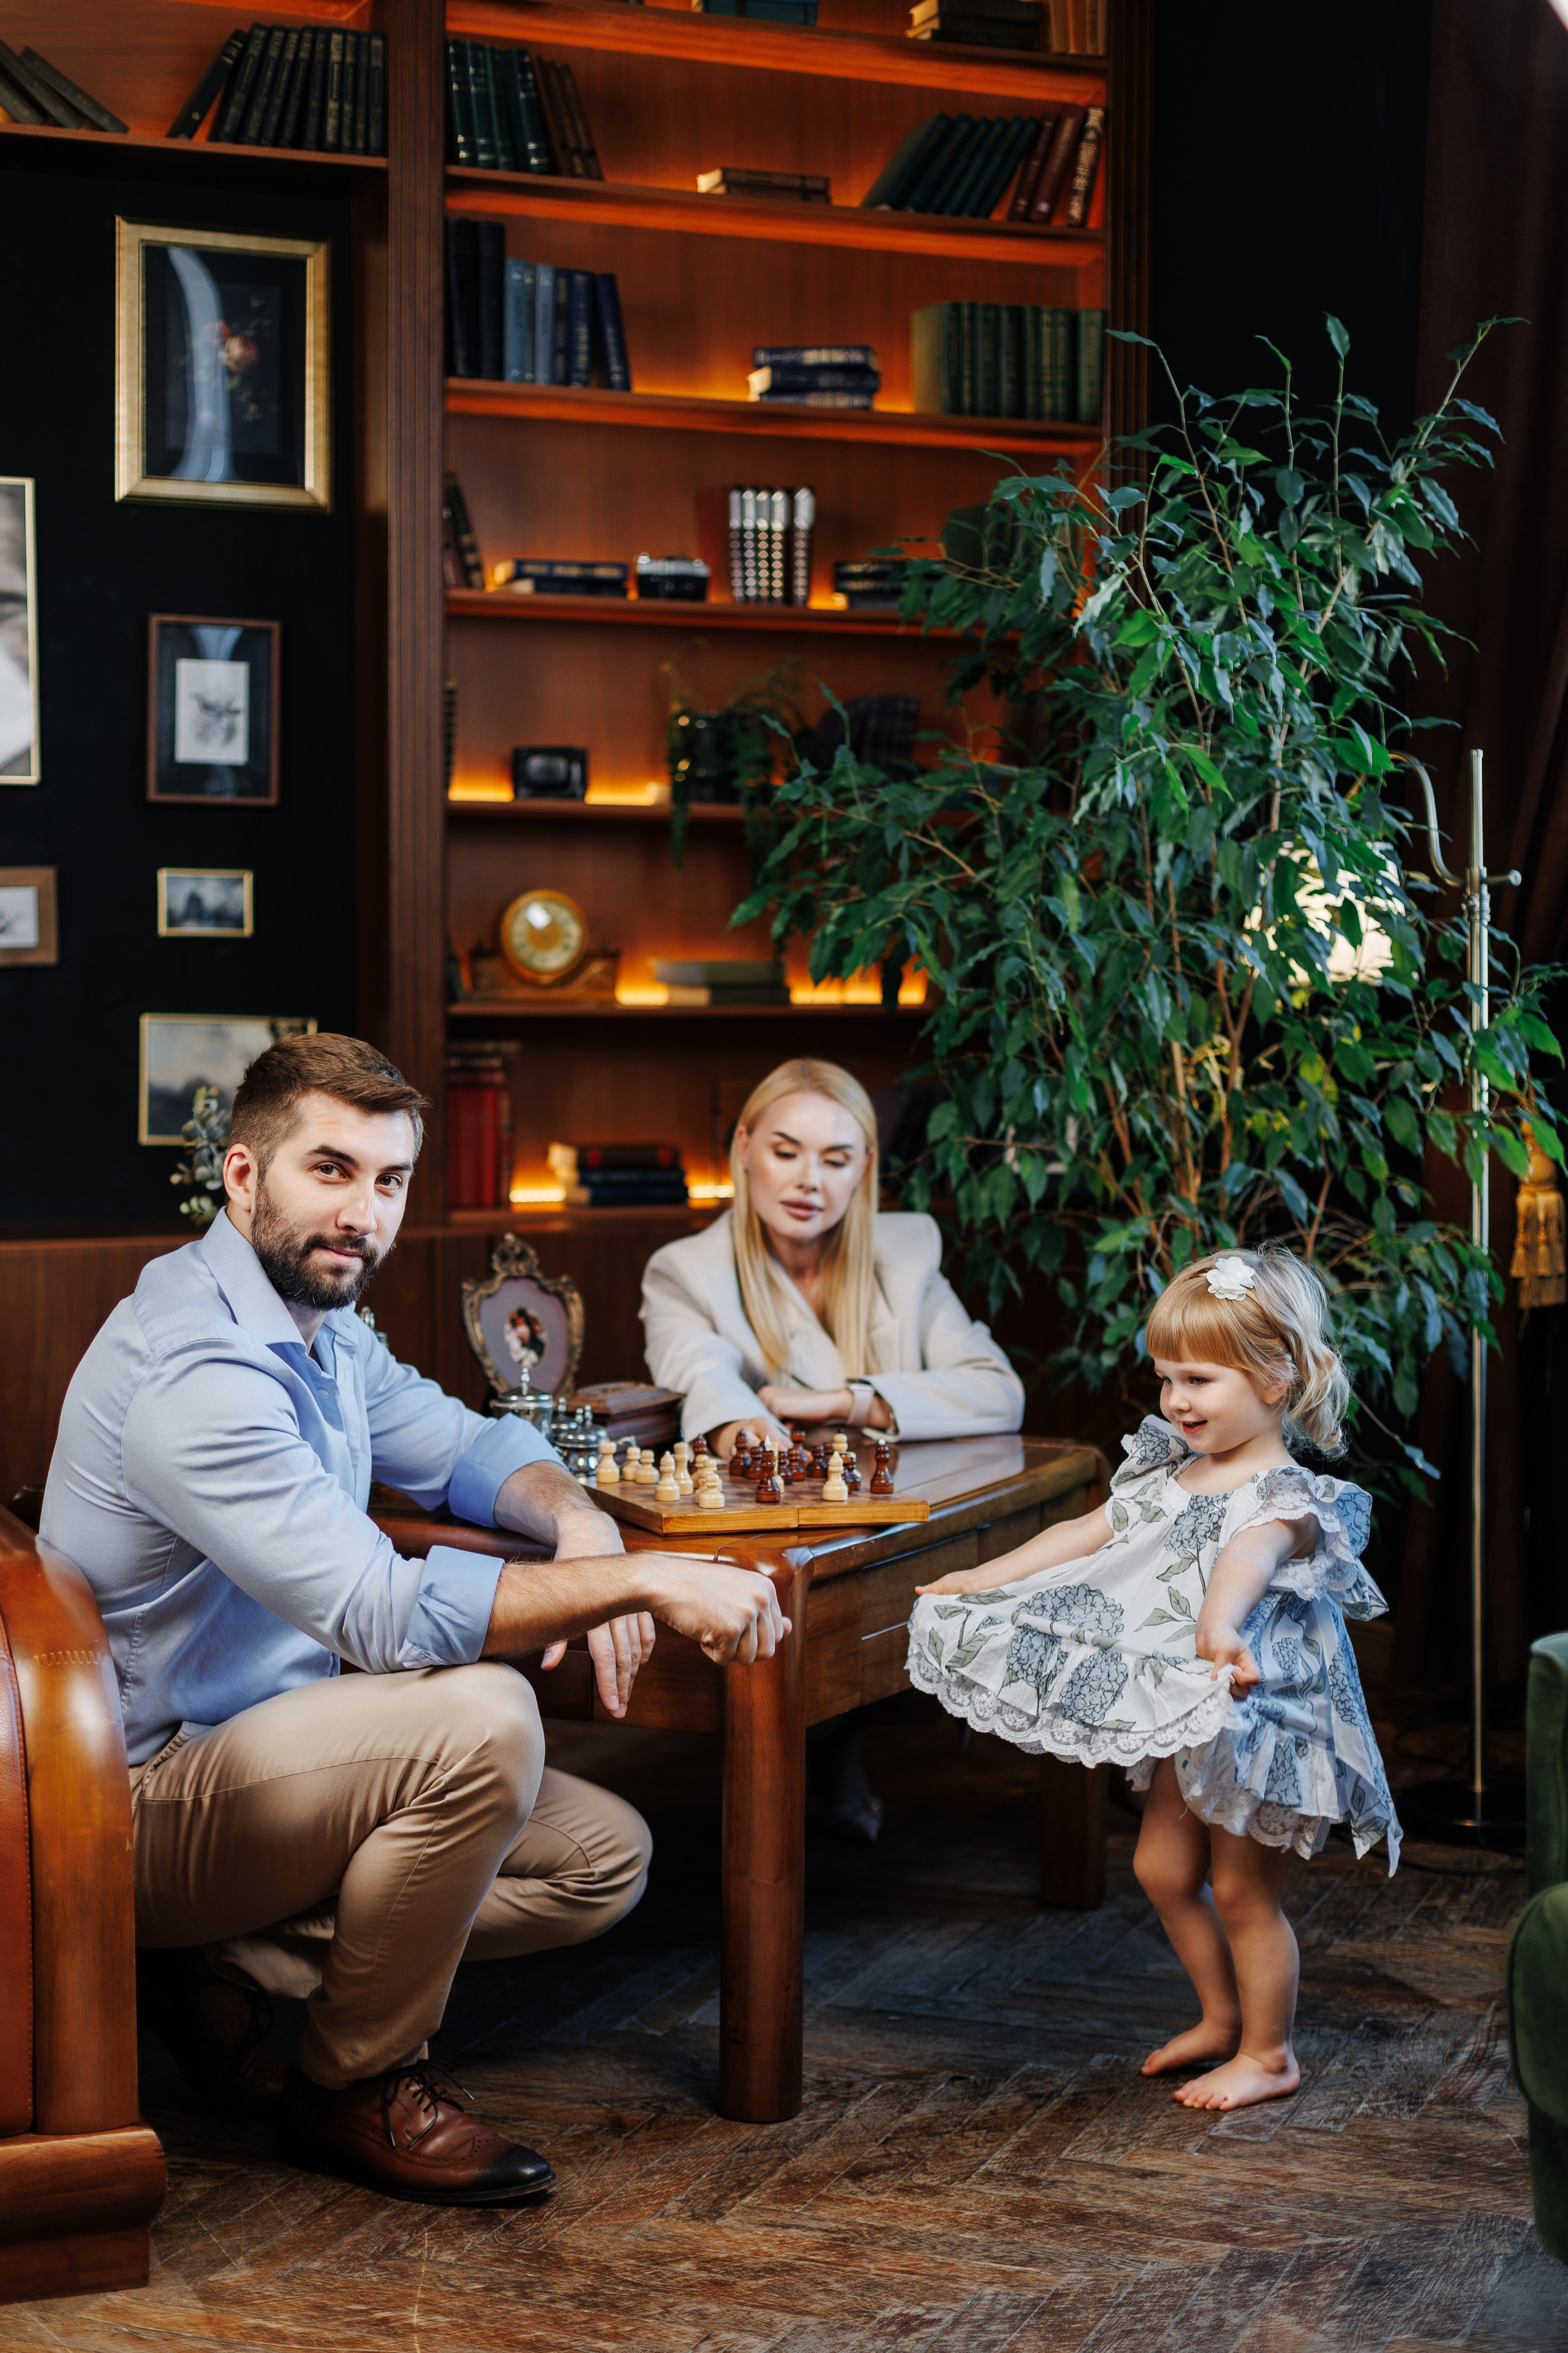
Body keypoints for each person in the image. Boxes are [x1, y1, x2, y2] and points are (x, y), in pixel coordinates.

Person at [42, 1032, 790, 2206]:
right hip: (134, 1805)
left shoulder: (321, 1321)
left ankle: (214, 1965)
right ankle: (355, 2082)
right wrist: (642, 1578)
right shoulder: (198, 1367)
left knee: (603, 1860)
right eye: (329, 1170)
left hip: (277, 1751)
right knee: (483, 1718)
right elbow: (385, 1613)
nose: (364, 1213)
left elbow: (472, 1446)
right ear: (244, 1176)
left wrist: (585, 1527)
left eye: (388, 1182)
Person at [906, 1247, 1400, 2113]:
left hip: (1256, 1713)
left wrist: (1217, 1624)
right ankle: (1219, 2018)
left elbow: (1248, 1558)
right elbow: (1085, 1532)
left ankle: (1270, 2051)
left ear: (1277, 1378)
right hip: (1189, 1705)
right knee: (1164, 1868)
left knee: (1245, 1889)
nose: (1176, 1399)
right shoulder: (1170, 1468)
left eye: (1200, 1379)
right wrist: (983, 1578)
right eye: (1167, 1377)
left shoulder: (1285, 1495)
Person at [640, 1057, 1023, 1458]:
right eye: (786, 1153)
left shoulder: (908, 1252)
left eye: (836, 1160)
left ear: (864, 1167)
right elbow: (704, 1377)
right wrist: (737, 1429)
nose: (810, 1180)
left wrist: (847, 1402)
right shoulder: (684, 1271)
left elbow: (997, 1392)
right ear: (745, 1147)